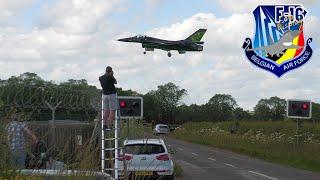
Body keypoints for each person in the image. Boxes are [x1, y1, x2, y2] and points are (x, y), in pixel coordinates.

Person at [99, 66, 118, 130]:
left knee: (105, 111)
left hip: (104, 95)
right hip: (111, 95)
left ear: (105, 71)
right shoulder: (110, 77)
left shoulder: (100, 78)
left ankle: (104, 125)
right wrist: (112, 75)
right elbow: (115, 82)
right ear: (111, 71)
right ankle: (110, 125)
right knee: (112, 110)